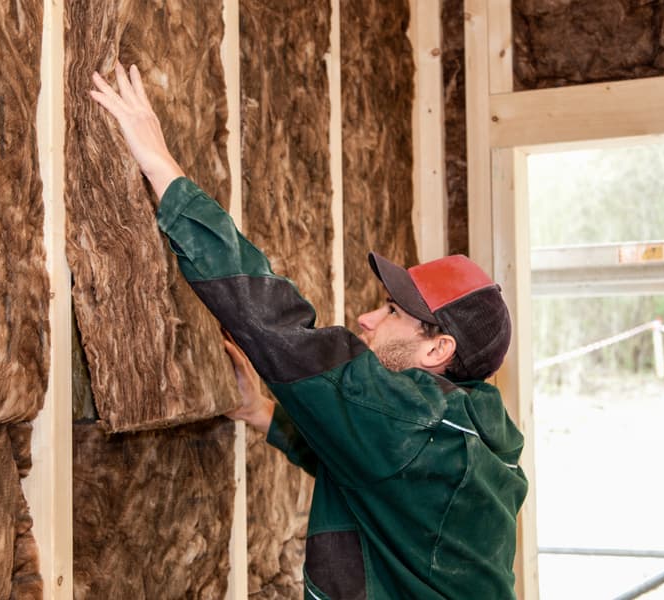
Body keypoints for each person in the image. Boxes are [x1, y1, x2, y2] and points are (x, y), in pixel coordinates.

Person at [90, 62, 528, 600]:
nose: (367, 319)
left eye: (392, 312)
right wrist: (262, 413)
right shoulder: (477, 427)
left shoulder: (412, 419)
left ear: (438, 348)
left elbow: (278, 325)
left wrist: (161, 168)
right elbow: (363, 462)